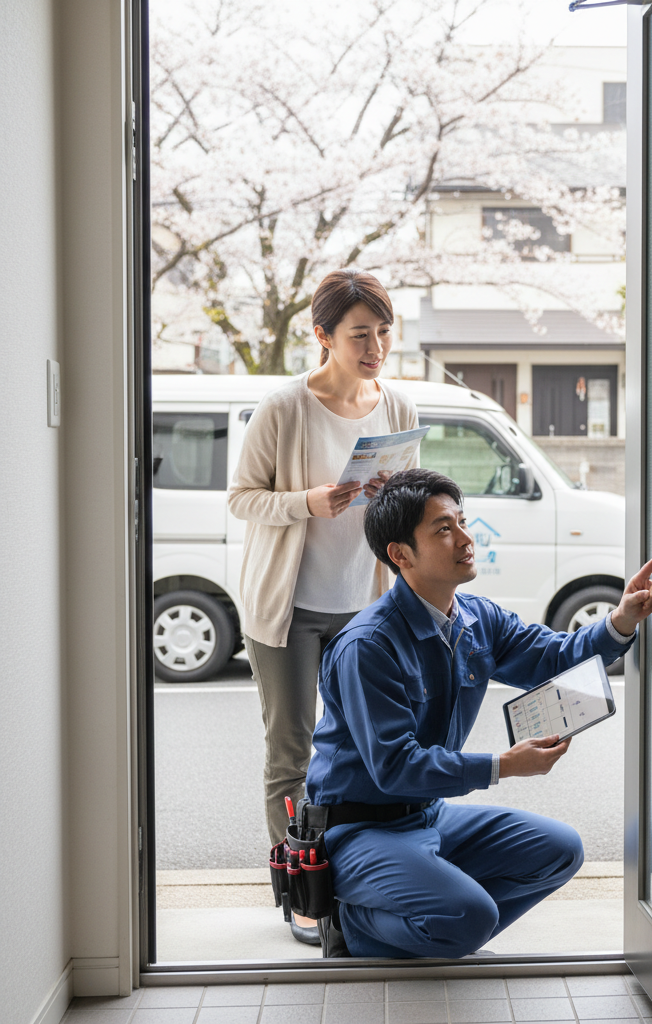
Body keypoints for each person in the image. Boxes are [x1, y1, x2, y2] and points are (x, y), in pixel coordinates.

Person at [306, 468, 652, 959]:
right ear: (400, 554)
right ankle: (355, 923)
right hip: (358, 831)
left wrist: (622, 619)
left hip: (428, 815)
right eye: (443, 529)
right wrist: (503, 765)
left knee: (561, 850)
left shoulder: (477, 617)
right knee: (470, 916)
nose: (466, 538)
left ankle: (441, 929)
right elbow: (396, 767)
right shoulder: (367, 646)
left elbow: (555, 656)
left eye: (462, 521)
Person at [226, 270, 417, 944]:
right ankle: (301, 892)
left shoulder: (396, 406)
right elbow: (242, 498)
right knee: (292, 751)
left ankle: (354, 877)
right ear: (323, 338)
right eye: (361, 335)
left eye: (383, 332)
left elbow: (406, 509)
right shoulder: (283, 409)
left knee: (359, 748)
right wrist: (306, 501)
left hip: (361, 606)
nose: (377, 347)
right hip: (288, 607)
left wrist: (397, 495)